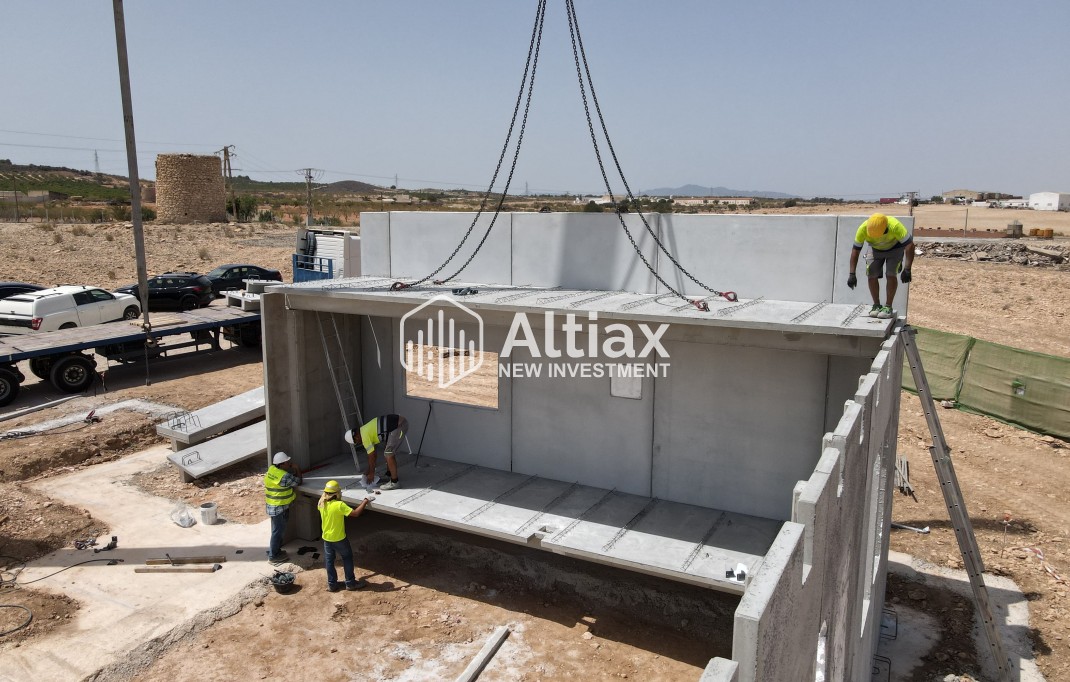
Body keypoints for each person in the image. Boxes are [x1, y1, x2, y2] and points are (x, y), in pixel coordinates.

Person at [847, 212, 915, 319]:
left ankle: (888, 307)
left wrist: (907, 269)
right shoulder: (863, 228)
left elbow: (910, 246)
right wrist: (852, 274)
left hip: (895, 249)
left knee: (890, 274)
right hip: (874, 249)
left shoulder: (895, 225)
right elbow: (855, 251)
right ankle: (876, 305)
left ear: (886, 229)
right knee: (871, 274)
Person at [318, 480, 373, 592]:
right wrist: (365, 501)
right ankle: (350, 583)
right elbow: (356, 513)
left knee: (329, 561)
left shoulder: (321, 503)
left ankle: (332, 585)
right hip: (339, 539)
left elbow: (324, 496)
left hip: (327, 539)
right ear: (336, 493)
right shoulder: (339, 505)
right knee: (347, 558)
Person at [344, 414, 408, 491]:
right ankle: (389, 474)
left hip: (399, 426)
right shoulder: (364, 430)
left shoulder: (364, 437)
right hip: (398, 424)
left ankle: (395, 482)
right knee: (387, 450)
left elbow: (372, 456)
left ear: (356, 437)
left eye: (356, 442)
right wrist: (369, 471)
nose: (358, 442)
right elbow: (373, 455)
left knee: (388, 453)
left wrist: (371, 473)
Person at [264, 451, 302, 565]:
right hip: (279, 507)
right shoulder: (284, 476)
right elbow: (298, 482)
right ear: (281, 464)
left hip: (273, 505)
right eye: (287, 462)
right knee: (278, 532)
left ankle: (275, 551)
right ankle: (273, 556)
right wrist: (297, 469)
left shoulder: (272, 469)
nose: (289, 464)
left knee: (277, 531)